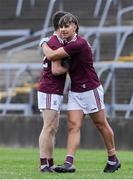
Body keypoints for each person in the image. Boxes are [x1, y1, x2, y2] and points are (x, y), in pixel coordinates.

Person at [40, 13, 121, 173]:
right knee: (73, 126)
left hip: (91, 89)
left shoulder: (79, 43)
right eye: (61, 26)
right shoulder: (70, 43)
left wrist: (43, 42)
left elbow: (51, 55)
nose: (63, 29)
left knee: (101, 124)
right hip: (76, 90)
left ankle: (113, 158)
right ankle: (69, 162)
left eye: (67, 26)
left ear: (75, 26)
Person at [37, 11, 69, 173]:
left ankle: (50, 162)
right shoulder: (56, 42)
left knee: (53, 127)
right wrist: (73, 67)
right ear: (61, 25)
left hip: (53, 89)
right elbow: (56, 70)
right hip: (50, 89)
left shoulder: (54, 41)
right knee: (48, 127)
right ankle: (44, 164)